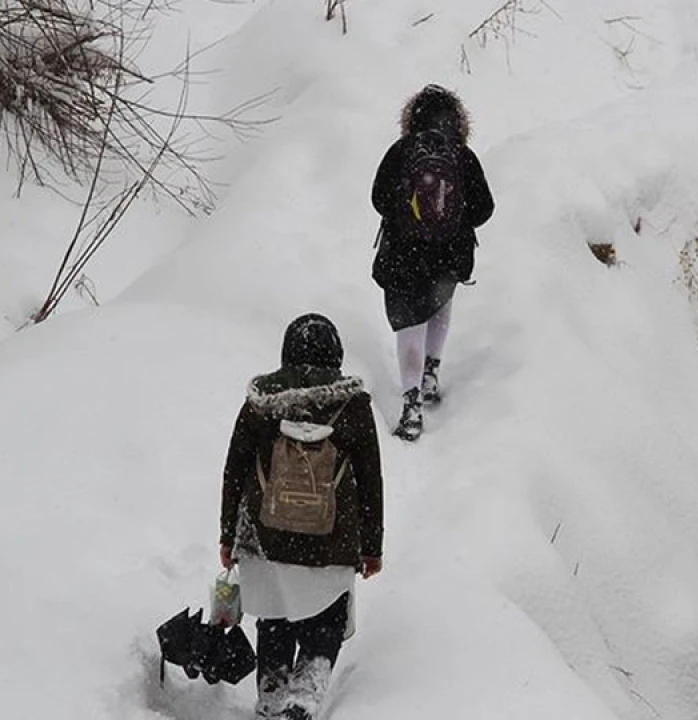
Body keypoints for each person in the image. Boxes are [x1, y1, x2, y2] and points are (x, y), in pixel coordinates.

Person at [220, 314, 384, 720]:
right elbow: (370, 479)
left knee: (274, 616)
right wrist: (372, 546)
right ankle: (304, 696)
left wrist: (227, 535)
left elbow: (235, 469)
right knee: (326, 619)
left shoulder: (260, 401)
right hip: (332, 538)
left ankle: (272, 696)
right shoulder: (353, 405)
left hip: (265, 536)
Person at [371, 83, 494, 441]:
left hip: (402, 256)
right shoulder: (462, 155)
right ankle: (431, 372)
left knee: (408, 323)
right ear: (457, 120)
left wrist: (406, 218)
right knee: (439, 302)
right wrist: (452, 223)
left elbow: (378, 199)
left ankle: (411, 403)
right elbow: (485, 207)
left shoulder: (401, 151)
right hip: (448, 256)